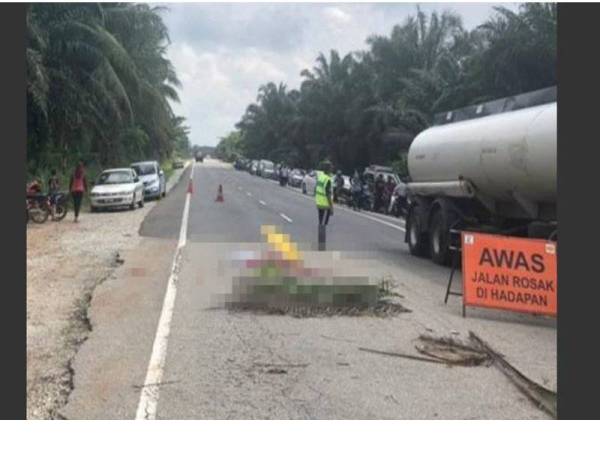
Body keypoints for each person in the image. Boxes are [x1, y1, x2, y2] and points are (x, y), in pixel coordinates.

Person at [315, 161, 334, 226]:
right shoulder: (327, 179)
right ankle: (321, 236)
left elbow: (316, 189)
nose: (332, 169)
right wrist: (331, 207)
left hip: (319, 203)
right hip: (325, 204)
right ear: (328, 169)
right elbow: (328, 194)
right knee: (323, 224)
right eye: (331, 168)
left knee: (321, 222)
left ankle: (321, 235)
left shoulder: (320, 176)